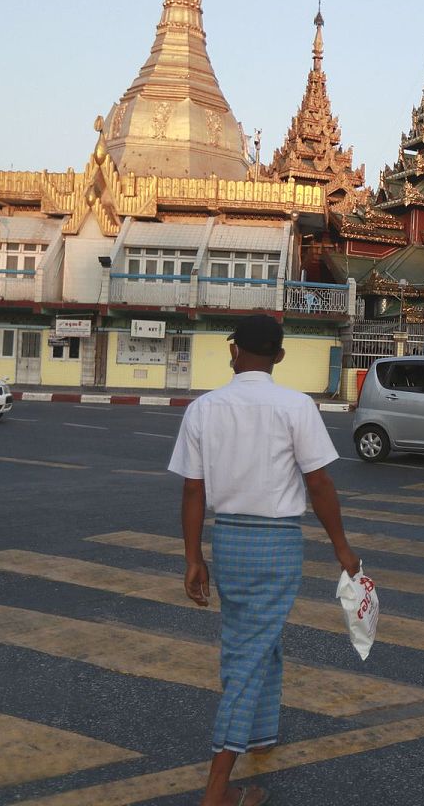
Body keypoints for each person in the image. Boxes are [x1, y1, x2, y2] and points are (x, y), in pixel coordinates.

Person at [170, 314, 360, 806]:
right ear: (278, 356)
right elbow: (318, 482)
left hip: (228, 541)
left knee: (259, 640)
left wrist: (193, 559)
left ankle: (261, 734)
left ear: (233, 352)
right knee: (250, 655)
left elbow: (194, 490)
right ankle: (216, 788)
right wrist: (341, 546)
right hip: (277, 544)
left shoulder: (204, 409)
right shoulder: (296, 406)